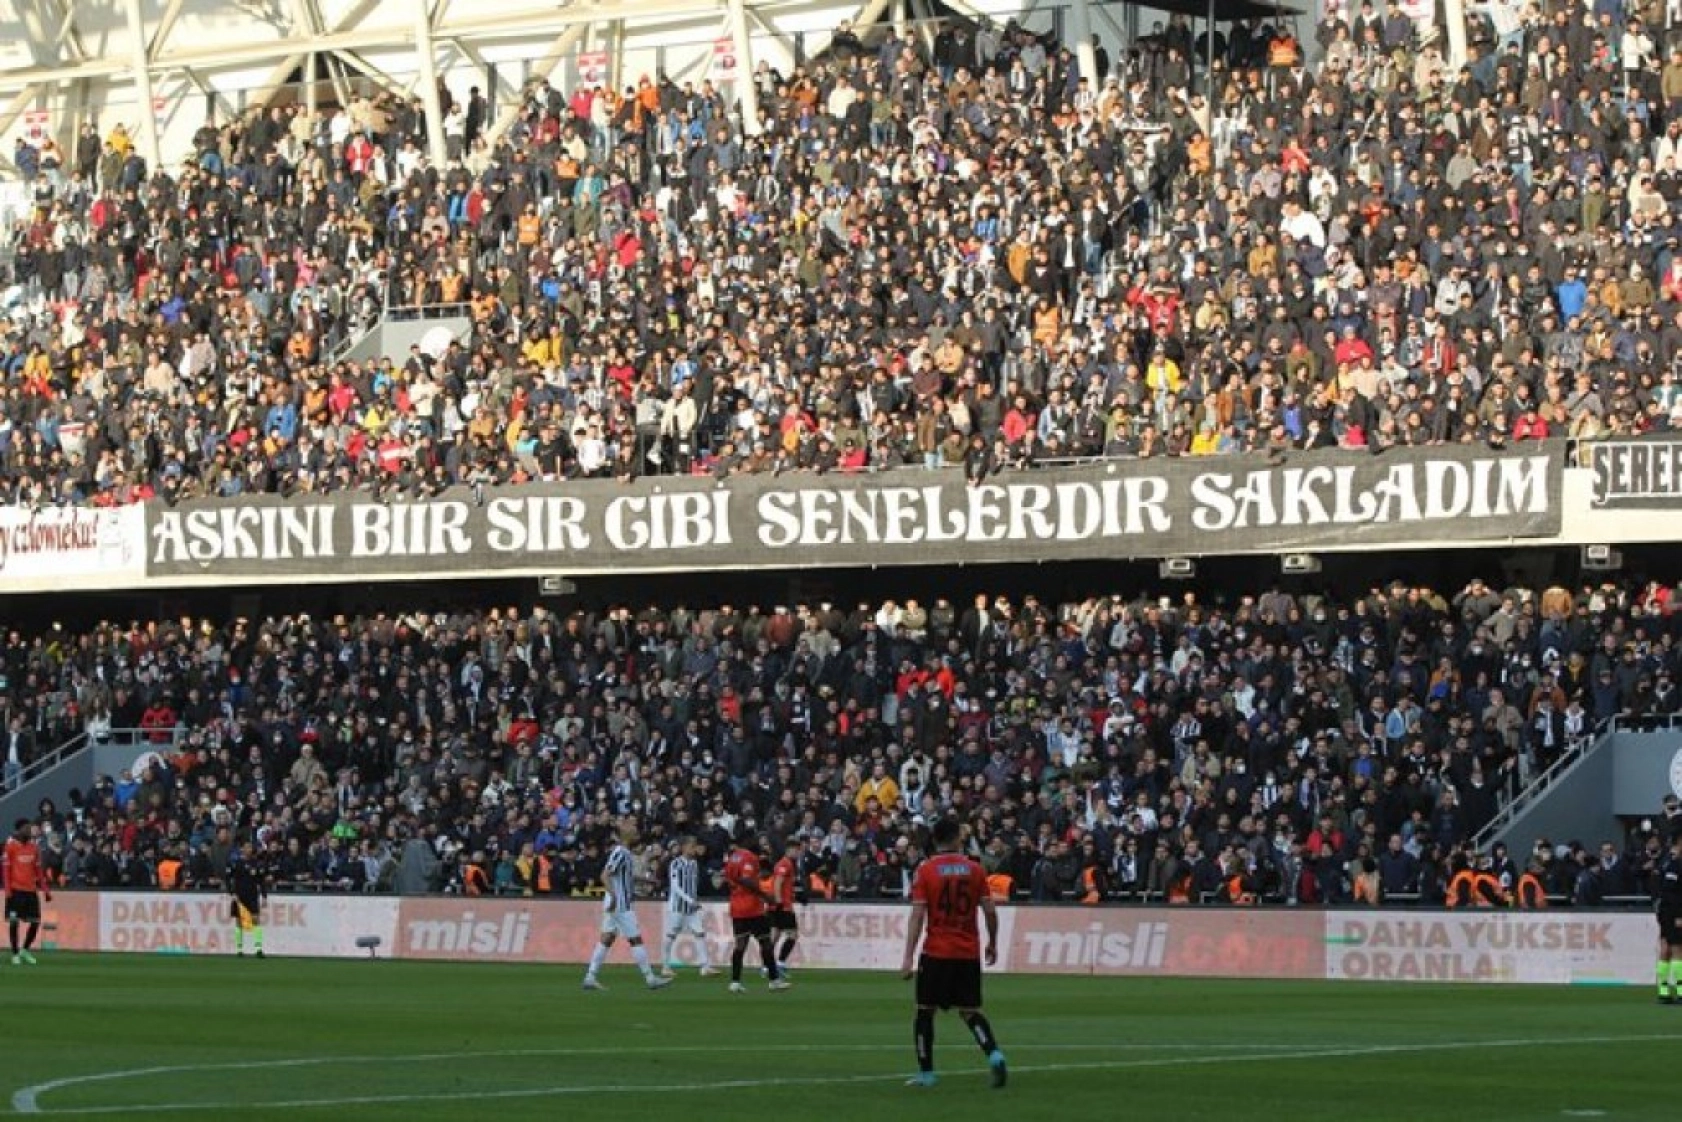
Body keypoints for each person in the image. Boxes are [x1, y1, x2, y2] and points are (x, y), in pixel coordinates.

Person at [900, 817, 1007, 1089]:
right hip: (967, 952)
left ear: (935, 840)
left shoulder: (926, 871)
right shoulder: (975, 869)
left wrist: (908, 957)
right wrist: (993, 942)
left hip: (936, 952)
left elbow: (917, 916)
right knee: (970, 1011)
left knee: (925, 1011)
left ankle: (927, 1074)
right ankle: (994, 1054)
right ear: (958, 839)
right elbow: (990, 911)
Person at [583, 818, 672, 991]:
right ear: (624, 833)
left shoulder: (625, 853)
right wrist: (614, 896)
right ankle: (650, 978)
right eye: (631, 827)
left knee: (607, 938)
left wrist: (647, 880)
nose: (635, 829)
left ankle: (590, 977)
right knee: (635, 939)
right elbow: (604, 876)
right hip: (620, 903)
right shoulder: (620, 852)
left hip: (616, 901)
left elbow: (625, 876)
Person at [723, 825, 787, 993]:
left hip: (736, 906)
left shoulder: (732, 857)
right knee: (765, 943)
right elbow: (746, 879)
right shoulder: (749, 857)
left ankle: (735, 982)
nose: (757, 842)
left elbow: (729, 879)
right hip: (752, 907)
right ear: (748, 840)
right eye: (755, 839)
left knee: (740, 945)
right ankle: (774, 980)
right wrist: (764, 896)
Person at [660, 836, 716, 978]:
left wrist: (693, 900)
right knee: (671, 935)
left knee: (700, 933)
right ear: (684, 847)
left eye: (695, 846)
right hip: (677, 906)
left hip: (691, 908)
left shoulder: (694, 864)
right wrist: (690, 900)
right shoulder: (675, 863)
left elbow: (692, 885)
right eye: (692, 846)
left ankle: (705, 967)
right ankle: (665, 966)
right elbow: (675, 886)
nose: (694, 849)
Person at [4, 818, 50, 965]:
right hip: (16, 891)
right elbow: (6, 870)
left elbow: (38, 871)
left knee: (35, 922)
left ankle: (25, 950)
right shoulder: (10, 847)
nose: (29, 831)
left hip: (30, 890)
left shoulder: (34, 848)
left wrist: (45, 890)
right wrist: (8, 891)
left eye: (30, 828)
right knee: (14, 923)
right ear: (19, 830)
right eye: (26, 828)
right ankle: (15, 953)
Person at [768, 835, 802, 975]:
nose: (798, 853)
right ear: (790, 850)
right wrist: (779, 901)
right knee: (793, 935)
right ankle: (780, 963)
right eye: (797, 850)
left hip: (778, 904)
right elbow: (778, 883)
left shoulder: (787, 863)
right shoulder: (785, 864)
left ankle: (767, 966)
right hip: (783, 905)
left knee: (775, 935)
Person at [227, 841, 267, 958]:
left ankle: (258, 949)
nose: (249, 849)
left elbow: (261, 881)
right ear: (242, 849)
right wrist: (232, 893)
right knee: (239, 921)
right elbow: (228, 879)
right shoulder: (236, 863)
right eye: (247, 847)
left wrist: (264, 895)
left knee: (255, 919)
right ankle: (239, 949)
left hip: (252, 895)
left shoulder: (257, 863)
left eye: (250, 847)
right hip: (239, 896)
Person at [1656, 834, 1682, 1004]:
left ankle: (1663, 990)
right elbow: (1670, 891)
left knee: (1666, 948)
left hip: (1666, 912)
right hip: (1672, 913)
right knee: (1678, 949)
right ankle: (1680, 991)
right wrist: (1678, 914)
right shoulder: (1674, 865)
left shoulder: (1669, 864)